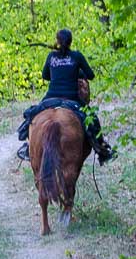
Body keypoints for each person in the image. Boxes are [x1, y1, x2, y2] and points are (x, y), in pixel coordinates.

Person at [19, 28, 114, 164]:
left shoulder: (51, 56)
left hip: (51, 98)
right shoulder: (77, 56)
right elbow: (90, 75)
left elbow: (45, 76)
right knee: (92, 119)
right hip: (72, 98)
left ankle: (28, 146)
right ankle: (102, 149)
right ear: (70, 41)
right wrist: (76, 73)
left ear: (57, 41)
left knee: (32, 116)